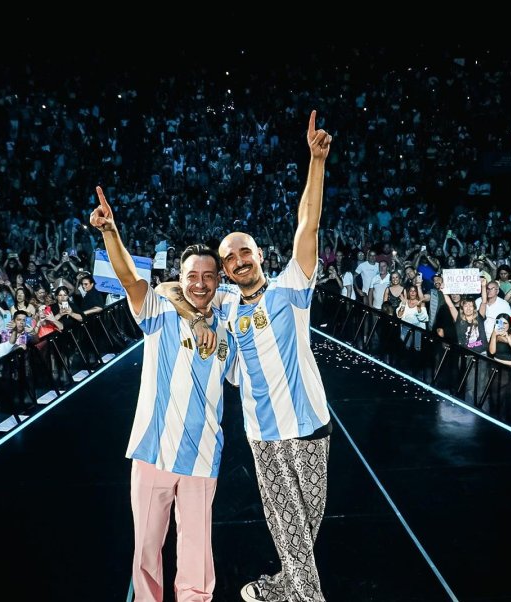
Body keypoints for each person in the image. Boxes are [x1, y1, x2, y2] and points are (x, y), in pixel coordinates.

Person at [162, 111, 333, 602]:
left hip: (311, 423)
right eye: (229, 257)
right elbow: (171, 288)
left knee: (304, 532)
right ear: (225, 270)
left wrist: (316, 162)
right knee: (290, 532)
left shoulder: (290, 289)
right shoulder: (224, 303)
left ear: (260, 255)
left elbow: (308, 223)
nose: (238, 260)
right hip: (264, 435)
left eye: (244, 252)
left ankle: (276, 589)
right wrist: (197, 319)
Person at [90, 186, 236, 602]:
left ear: (218, 280)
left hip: (202, 454)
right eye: (192, 276)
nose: (200, 284)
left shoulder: (230, 328)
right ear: (180, 278)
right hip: (153, 450)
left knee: (197, 554)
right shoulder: (160, 312)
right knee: (146, 549)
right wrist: (111, 233)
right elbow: (130, 279)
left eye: (208, 276)